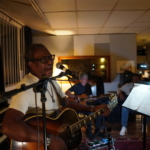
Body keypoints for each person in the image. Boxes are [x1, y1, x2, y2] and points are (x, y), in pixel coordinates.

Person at [1, 44, 110, 150]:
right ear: (32, 64)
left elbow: (67, 103)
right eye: (44, 59)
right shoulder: (26, 87)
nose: (50, 62)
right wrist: (48, 139)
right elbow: (8, 126)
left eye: (50, 57)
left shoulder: (51, 81)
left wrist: (92, 109)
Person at [65, 72, 109, 139]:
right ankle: (89, 131)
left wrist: (97, 97)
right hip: (79, 106)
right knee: (90, 113)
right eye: (84, 78)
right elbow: (66, 92)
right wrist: (76, 96)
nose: (86, 80)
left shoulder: (88, 86)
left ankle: (97, 129)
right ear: (80, 79)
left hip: (87, 104)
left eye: (86, 78)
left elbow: (90, 96)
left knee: (99, 111)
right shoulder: (77, 86)